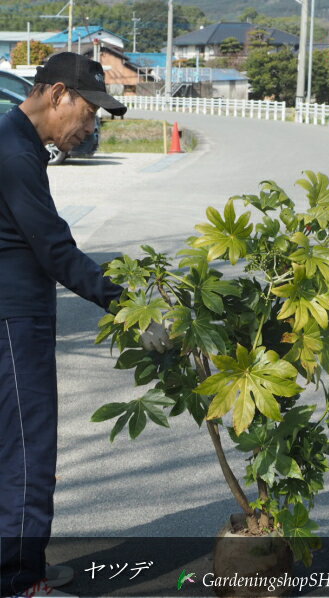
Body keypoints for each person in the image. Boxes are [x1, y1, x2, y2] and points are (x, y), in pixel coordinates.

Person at [0, 52, 168, 598]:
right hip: (12, 321)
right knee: (27, 456)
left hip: (12, 314)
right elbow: (55, 248)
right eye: (89, 112)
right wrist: (127, 308)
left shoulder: (14, 141)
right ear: (56, 96)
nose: (91, 126)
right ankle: (21, 583)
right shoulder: (14, 153)